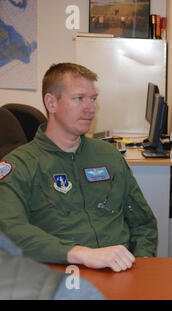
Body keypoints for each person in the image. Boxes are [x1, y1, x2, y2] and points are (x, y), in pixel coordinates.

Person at [0, 63, 158, 272]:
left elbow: (143, 222)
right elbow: (10, 231)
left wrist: (140, 265)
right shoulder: (20, 166)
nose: (90, 108)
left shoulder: (108, 156)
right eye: (79, 98)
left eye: (93, 99)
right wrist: (79, 254)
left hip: (119, 274)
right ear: (51, 103)